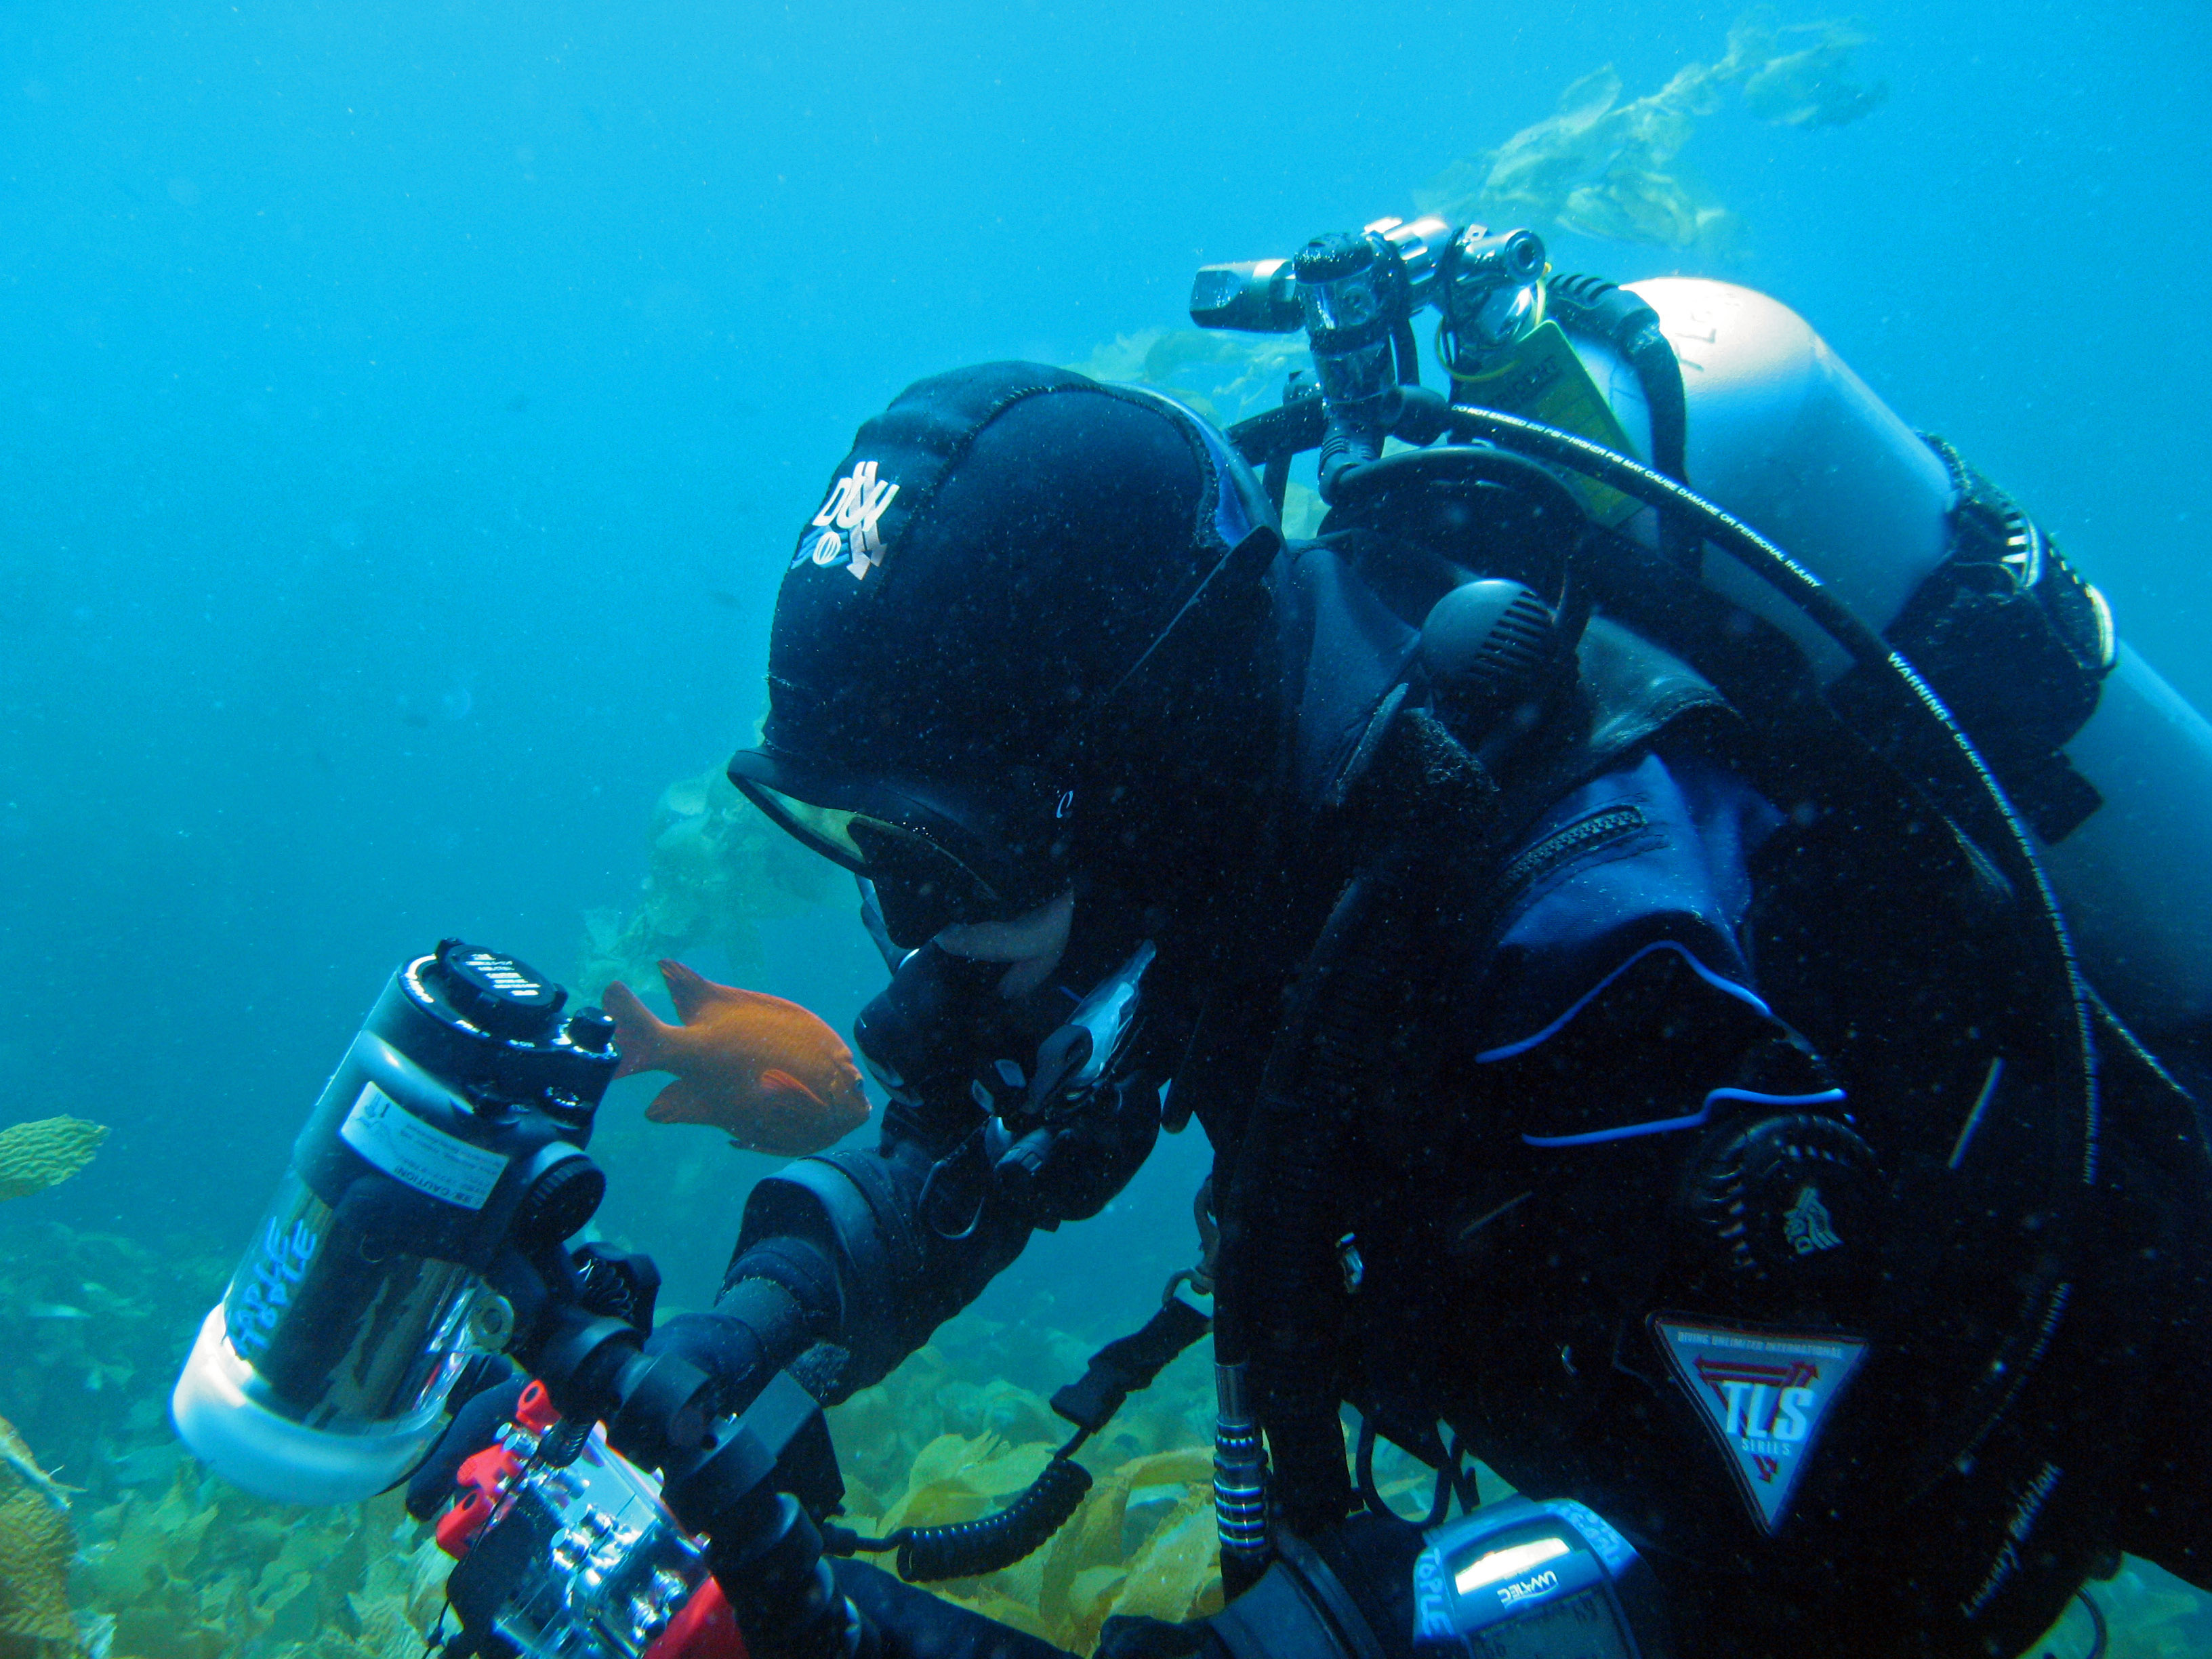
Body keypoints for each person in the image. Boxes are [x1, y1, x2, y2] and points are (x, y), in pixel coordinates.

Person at [634, 273, 2212, 1659]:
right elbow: (990, 1128)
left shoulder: (1585, 954)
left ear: (1140, 774)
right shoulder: (1254, 814)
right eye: (869, 849)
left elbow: (1820, 1574)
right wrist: (756, 1329)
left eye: (946, 858)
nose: (910, 941)